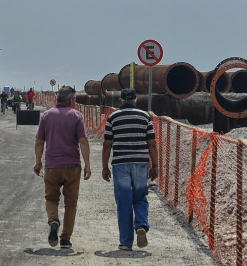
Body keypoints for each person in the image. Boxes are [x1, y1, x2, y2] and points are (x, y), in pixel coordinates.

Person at [101, 88, 159, 251]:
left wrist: (105, 167)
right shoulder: (144, 116)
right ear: (136, 100)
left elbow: (107, 144)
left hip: (120, 164)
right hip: (141, 163)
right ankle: (141, 224)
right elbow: (152, 143)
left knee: (124, 202)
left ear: (120, 101)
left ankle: (126, 242)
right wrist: (155, 165)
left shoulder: (112, 117)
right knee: (140, 197)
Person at [34, 86, 91, 249]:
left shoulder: (46, 115)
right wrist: (87, 164)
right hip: (72, 166)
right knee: (71, 203)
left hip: (52, 166)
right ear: (70, 100)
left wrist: (38, 162)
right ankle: (65, 238)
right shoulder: (76, 116)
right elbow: (83, 141)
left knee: (51, 199)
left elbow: (39, 142)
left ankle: (53, 220)